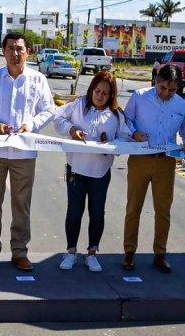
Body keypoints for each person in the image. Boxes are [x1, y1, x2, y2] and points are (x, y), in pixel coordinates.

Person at [0, 32, 55, 272]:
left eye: (20, 49)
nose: (15, 53)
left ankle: (19, 251)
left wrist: (31, 125)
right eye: (10, 49)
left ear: (28, 52)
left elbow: (48, 110)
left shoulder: (38, 80)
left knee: (21, 204)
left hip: (24, 154)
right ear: (3, 51)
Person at [54, 71, 132, 273]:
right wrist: (72, 130)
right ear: (92, 89)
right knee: (74, 211)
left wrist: (111, 143)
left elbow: (126, 137)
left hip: (100, 172)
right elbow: (58, 118)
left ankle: (92, 253)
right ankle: (71, 252)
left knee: (97, 213)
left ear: (111, 96)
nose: (99, 96)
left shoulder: (116, 115)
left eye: (105, 93)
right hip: (76, 170)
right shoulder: (79, 105)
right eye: (97, 91)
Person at [122, 63, 185, 273]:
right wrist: (134, 133)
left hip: (166, 161)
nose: (166, 93)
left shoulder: (181, 105)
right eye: (163, 88)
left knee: (163, 210)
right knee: (133, 207)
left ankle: (160, 253)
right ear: (156, 81)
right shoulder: (139, 96)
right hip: (140, 159)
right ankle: (129, 252)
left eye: (172, 89)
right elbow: (126, 120)